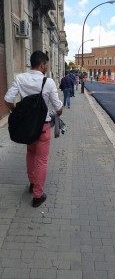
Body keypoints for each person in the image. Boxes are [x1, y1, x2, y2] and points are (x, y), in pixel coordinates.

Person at [4, 51, 63, 207]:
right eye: (46, 65)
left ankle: (32, 183)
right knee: (42, 161)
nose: (46, 67)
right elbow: (58, 107)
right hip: (43, 127)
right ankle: (37, 195)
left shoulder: (20, 78)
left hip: (28, 126)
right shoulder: (48, 82)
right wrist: (59, 111)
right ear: (42, 64)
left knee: (30, 153)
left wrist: (16, 111)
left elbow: (8, 99)